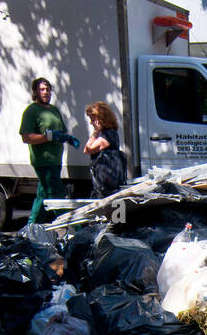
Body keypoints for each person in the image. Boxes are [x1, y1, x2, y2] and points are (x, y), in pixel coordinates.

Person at [19, 77, 78, 225]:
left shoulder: (54, 110)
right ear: (35, 92)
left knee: (43, 195)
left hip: (56, 159)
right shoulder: (32, 111)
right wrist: (48, 137)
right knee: (56, 195)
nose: (46, 92)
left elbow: (61, 131)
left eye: (48, 89)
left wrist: (67, 138)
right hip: (43, 161)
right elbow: (26, 137)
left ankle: (31, 228)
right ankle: (75, 226)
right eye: (42, 89)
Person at [84, 101, 127, 198]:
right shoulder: (107, 133)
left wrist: (95, 132)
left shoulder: (108, 134)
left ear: (101, 118)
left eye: (92, 119)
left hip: (107, 182)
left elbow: (88, 149)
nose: (91, 123)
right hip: (105, 181)